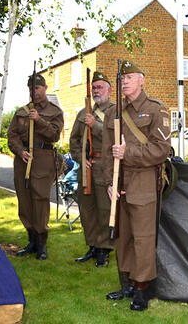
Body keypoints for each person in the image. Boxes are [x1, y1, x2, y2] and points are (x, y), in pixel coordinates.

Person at [103, 60, 172, 311]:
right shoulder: (113, 112)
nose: (125, 81)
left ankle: (142, 288)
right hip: (119, 181)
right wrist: (108, 183)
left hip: (143, 181)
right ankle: (126, 283)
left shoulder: (156, 109)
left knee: (143, 238)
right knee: (124, 236)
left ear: (142, 79)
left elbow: (161, 149)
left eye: (130, 77)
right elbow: (105, 151)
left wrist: (127, 152)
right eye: (122, 78)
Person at [7, 74, 63, 260]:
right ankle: (31, 240)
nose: (34, 91)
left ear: (45, 88)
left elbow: (55, 135)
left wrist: (39, 120)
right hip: (23, 160)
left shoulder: (54, 111)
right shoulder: (21, 112)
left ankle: (42, 244)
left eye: (37, 88)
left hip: (43, 160)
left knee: (40, 201)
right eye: (31, 88)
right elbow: (12, 135)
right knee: (25, 201)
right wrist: (20, 151)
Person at [69, 71, 114, 267]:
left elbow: (115, 139)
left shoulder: (116, 111)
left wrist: (95, 125)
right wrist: (80, 158)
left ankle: (105, 249)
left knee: (105, 210)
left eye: (100, 87)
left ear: (109, 90)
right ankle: (93, 245)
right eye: (94, 87)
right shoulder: (83, 112)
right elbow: (74, 140)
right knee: (87, 209)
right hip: (86, 167)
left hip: (106, 166)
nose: (96, 91)